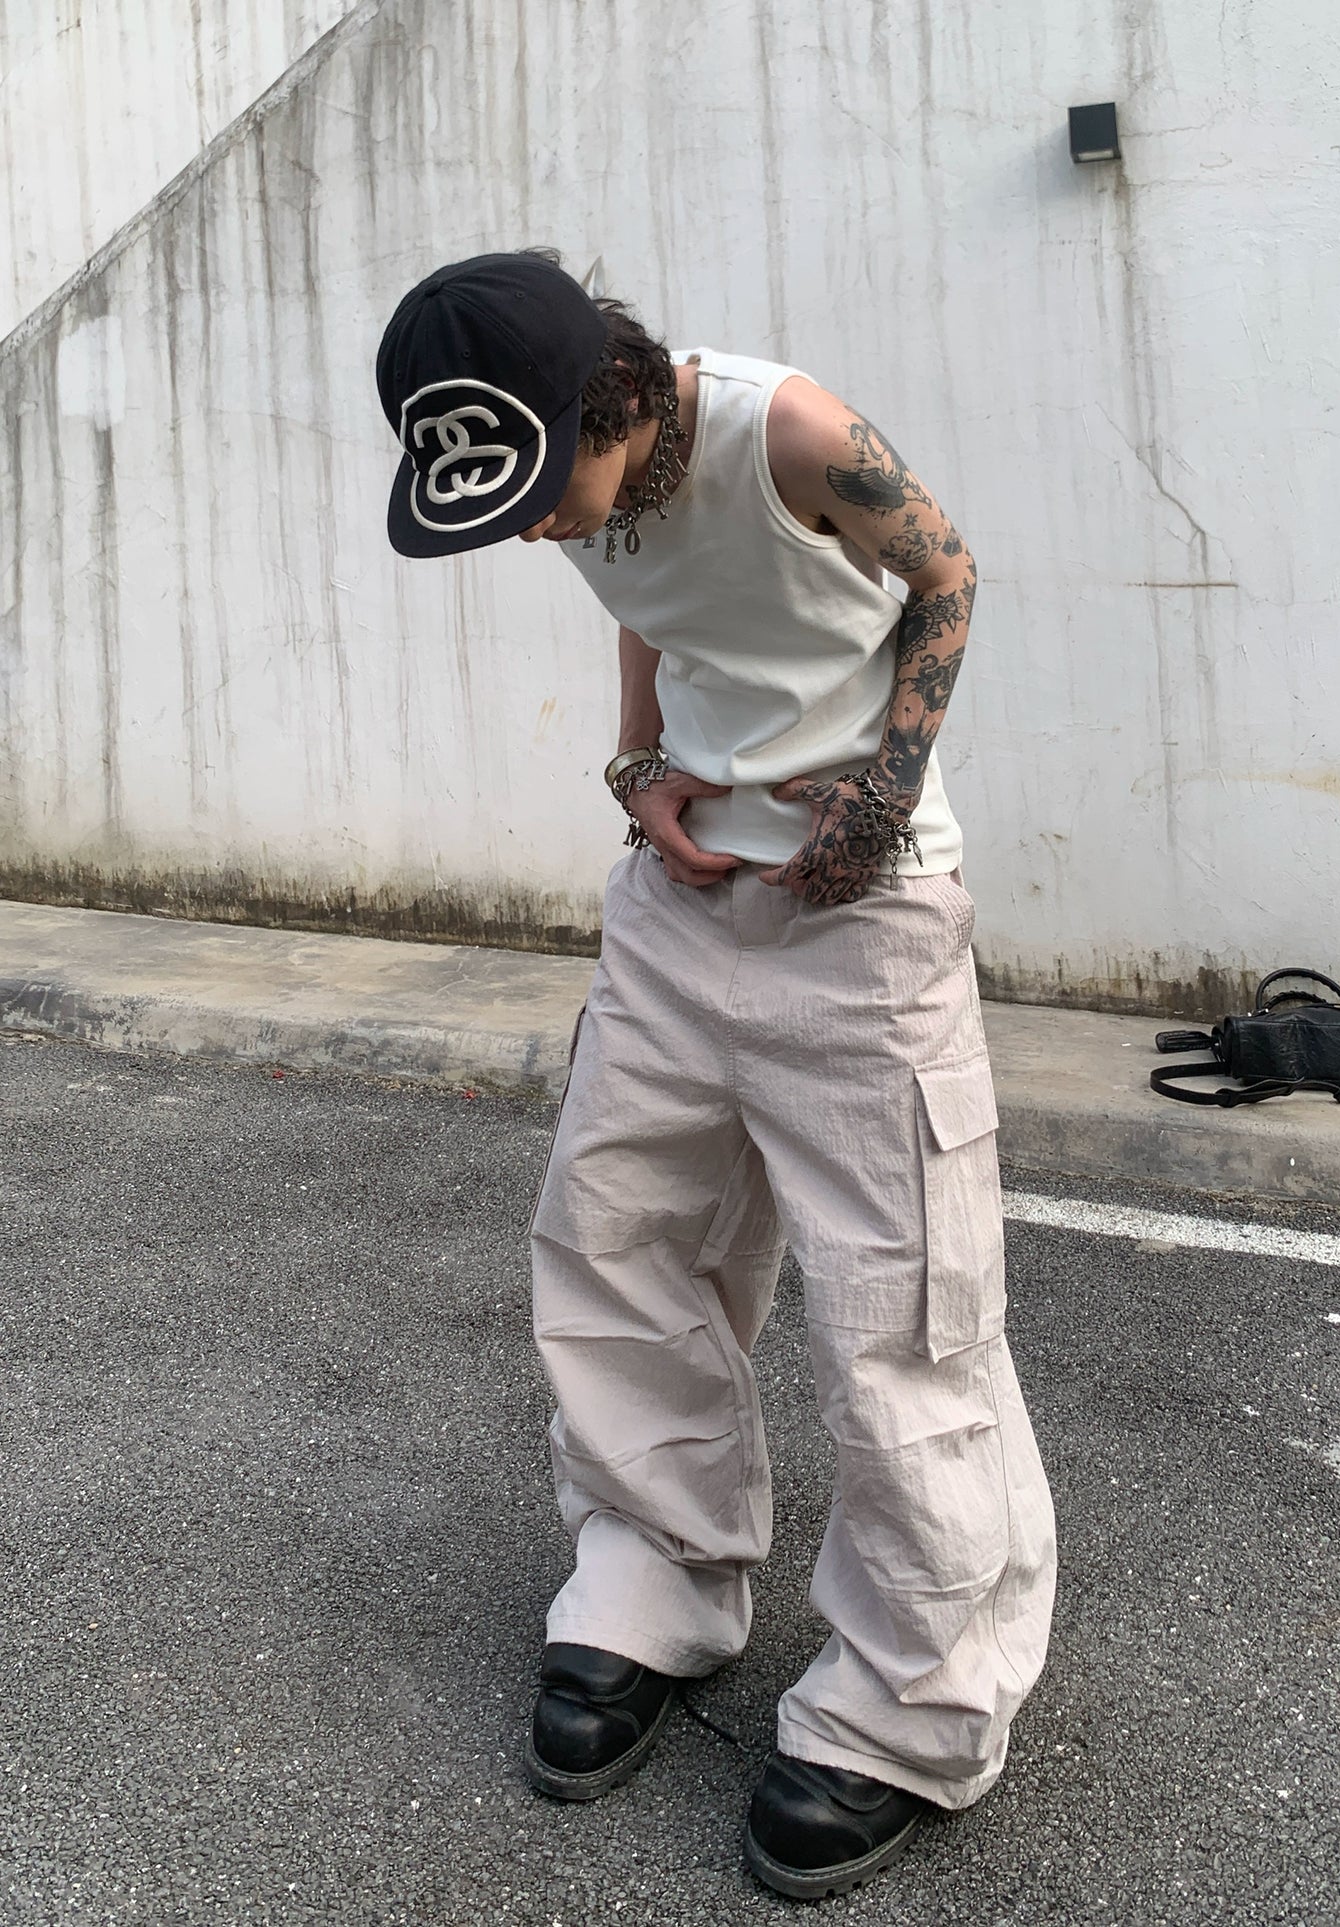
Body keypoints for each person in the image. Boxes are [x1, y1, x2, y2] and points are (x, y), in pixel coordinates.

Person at [376, 250, 1056, 1901]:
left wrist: (880, 795)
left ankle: (913, 1703)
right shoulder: (575, 479)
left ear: (611, 397)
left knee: (901, 1313)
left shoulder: (786, 432)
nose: (531, 527)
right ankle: (654, 1588)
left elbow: (947, 572)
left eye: (543, 486)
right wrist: (639, 767)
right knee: (620, 1244)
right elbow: (646, 598)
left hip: (859, 920)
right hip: (677, 913)